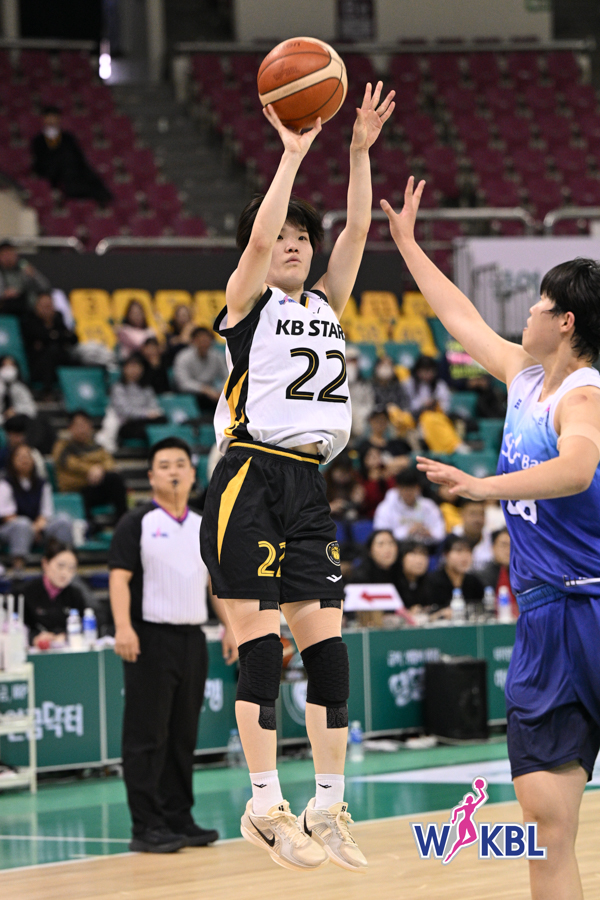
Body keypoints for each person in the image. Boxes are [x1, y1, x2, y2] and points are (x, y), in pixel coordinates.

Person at [383, 176, 600, 899]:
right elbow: (459, 316)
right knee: (545, 826)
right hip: (542, 619)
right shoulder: (522, 376)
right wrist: (408, 244)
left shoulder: (584, 394)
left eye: (537, 303)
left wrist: (482, 487)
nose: (526, 312)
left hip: (594, 607)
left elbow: (576, 468)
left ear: (565, 321)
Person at [200, 83, 394, 873]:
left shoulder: (326, 301)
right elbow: (256, 244)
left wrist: (358, 152)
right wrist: (291, 153)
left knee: (331, 654)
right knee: (261, 651)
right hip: (249, 474)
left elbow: (357, 230)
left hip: (309, 483)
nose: (293, 244)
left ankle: (327, 803)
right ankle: (263, 805)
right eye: (280, 235)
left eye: (300, 237)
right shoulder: (246, 302)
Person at [109, 437, 237, 853]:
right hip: (149, 638)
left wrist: (230, 627)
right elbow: (118, 578)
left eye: (180, 464)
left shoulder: (203, 523)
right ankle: (146, 825)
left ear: (192, 472)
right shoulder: (137, 523)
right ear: (151, 476)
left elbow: (214, 583)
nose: (173, 471)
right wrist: (123, 627)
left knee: (183, 734)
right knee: (147, 735)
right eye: (164, 465)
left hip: (192, 638)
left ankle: (179, 816)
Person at [0, 444, 73, 570]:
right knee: (22, 524)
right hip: (11, 530)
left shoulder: (42, 483)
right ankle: (18, 568)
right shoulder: (5, 483)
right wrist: (29, 529)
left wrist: (34, 529)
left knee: (63, 521)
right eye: (20, 457)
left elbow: (45, 514)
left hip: (38, 528)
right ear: (12, 461)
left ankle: (64, 565)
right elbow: (7, 516)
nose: (24, 460)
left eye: (27, 456)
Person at [53, 410, 128, 525]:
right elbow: (70, 464)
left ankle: (123, 522)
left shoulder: (97, 447)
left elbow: (110, 463)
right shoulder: (62, 446)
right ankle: (91, 527)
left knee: (115, 479)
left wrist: (100, 469)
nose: (82, 429)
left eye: (85, 425)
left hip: (94, 488)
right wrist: (91, 469)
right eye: (78, 425)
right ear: (70, 428)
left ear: (90, 427)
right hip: (74, 491)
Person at [31, 106, 112, 204]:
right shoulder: (38, 141)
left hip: (73, 172)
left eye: (54, 118)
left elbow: (78, 157)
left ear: (59, 119)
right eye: (48, 118)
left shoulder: (68, 138)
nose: (51, 121)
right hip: (53, 174)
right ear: (43, 119)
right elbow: (39, 162)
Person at [23, 538, 85, 647]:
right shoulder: (25, 593)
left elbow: (87, 626)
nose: (65, 573)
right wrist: (33, 638)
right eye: (60, 566)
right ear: (45, 563)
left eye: (71, 568)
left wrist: (66, 636)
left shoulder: (75, 595)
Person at [373, 466, 446, 546]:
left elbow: (441, 533)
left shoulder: (428, 506)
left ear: (418, 488)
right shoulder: (385, 508)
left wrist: (429, 533)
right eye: (405, 488)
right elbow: (381, 536)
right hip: (397, 548)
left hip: (424, 547)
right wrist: (407, 531)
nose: (408, 492)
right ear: (398, 488)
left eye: (412, 488)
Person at [22, 291, 78, 394]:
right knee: (52, 351)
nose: (47, 310)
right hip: (38, 365)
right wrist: (58, 336)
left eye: (50, 306)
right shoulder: (29, 320)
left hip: (59, 361)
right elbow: (39, 335)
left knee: (75, 358)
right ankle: (47, 392)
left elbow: (73, 338)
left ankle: (76, 390)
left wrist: (53, 336)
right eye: (44, 306)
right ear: (37, 307)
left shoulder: (58, 318)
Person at [106, 354, 165, 446]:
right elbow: (125, 411)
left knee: (162, 420)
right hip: (127, 423)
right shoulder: (118, 388)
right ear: (124, 369)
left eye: (138, 367)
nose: (134, 370)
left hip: (145, 421)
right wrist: (146, 414)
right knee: (149, 429)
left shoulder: (147, 388)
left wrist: (153, 413)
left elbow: (153, 406)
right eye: (131, 366)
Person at [422, 534, 484, 615]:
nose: (464, 556)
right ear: (446, 554)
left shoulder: (474, 581)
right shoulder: (431, 581)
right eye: (459, 551)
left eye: (468, 551)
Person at [173, 326, 228, 413]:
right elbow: (183, 383)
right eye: (200, 340)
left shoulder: (217, 356)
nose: (204, 343)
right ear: (193, 341)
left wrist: (221, 390)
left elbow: (227, 376)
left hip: (212, 392)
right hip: (191, 393)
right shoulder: (183, 357)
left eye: (206, 340)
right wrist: (204, 389)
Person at [0, 240, 51, 316]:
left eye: (10, 253)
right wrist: (4, 294)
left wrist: (34, 275)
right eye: (4, 254)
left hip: (26, 308)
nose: (8, 257)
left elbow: (46, 286)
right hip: (5, 308)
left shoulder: (24, 267)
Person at [478, 527, 518, 618]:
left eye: (512, 545)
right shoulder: (481, 576)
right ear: (492, 547)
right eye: (504, 545)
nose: (508, 550)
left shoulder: (523, 575)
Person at [452, 499, 493, 570]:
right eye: (473, 514)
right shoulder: (451, 538)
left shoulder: (492, 538)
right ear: (462, 514)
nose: (478, 519)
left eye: (481, 514)